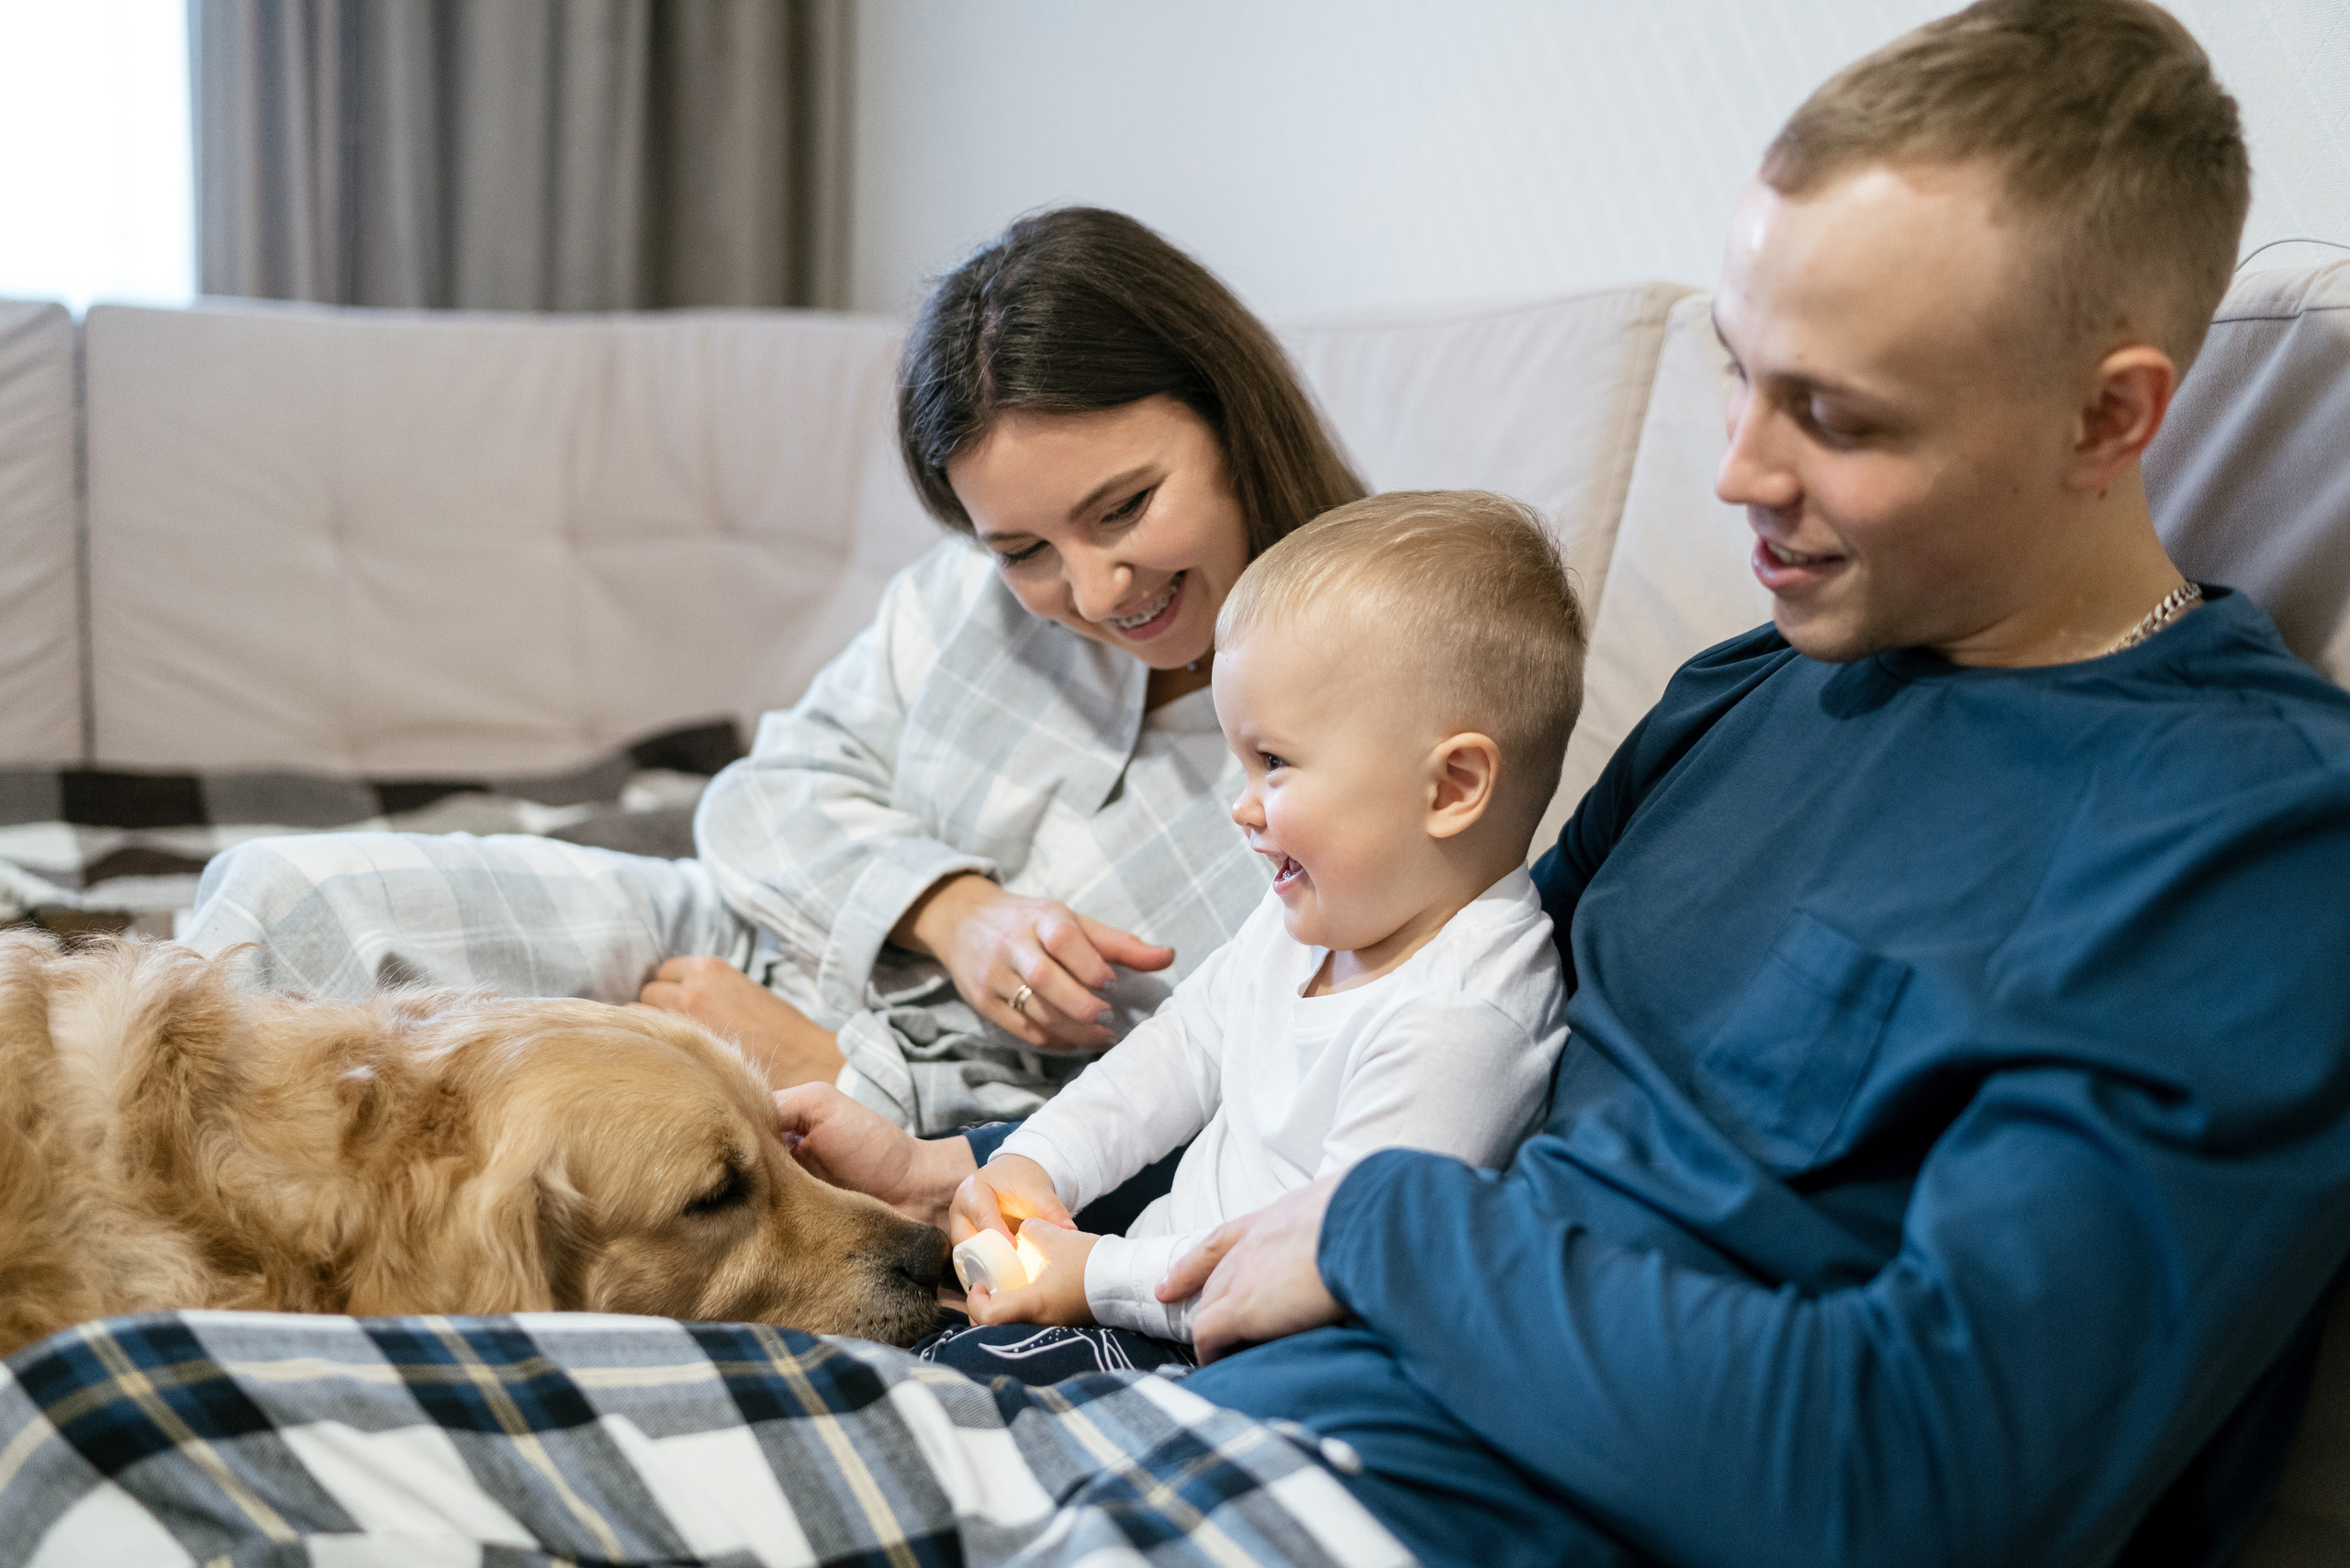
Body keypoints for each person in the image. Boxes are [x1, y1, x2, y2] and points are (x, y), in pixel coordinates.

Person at [15, 5, 2350, 1567]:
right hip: (1132, 1367)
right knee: (109, 1416)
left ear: (2110, 413)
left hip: (1383, 1496)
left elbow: (1932, 1479)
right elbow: (1367, 1028)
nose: (1735, 473)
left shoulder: (2233, 846)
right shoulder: (1760, 691)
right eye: (1736, 378)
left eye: (1831, 417)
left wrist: (1373, 1235)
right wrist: (962, 1187)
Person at [181, 207, 1367, 1135]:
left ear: (1228, 412)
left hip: (902, 1120)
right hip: (717, 938)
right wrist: (958, 915)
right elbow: (756, 802)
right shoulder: (965, 607)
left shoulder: (1363, 720)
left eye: (1125, 508)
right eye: (1024, 549)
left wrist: (838, 1069)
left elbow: (1209, 1127)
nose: (1097, 591)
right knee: (277, 907)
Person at [921, 492, 1582, 1383]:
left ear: (1450, 787)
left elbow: (1309, 1274)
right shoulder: (1311, 918)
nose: (1241, 805)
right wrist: (1040, 1161)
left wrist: (1093, 1278)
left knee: (950, 1382)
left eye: (1272, 763)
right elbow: (1180, 1050)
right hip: (1145, 1293)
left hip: (1240, 1357)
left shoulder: (1464, 1016)